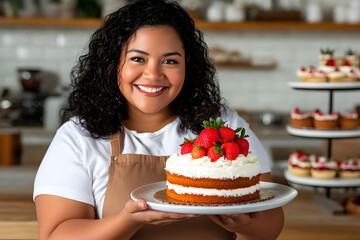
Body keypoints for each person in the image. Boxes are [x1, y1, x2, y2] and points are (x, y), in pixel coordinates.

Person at [33, 0, 284, 239]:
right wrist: (129, 220)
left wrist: (246, 224)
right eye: (137, 59)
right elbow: (56, 235)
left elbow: (271, 223)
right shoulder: (78, 137)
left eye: (170, 61)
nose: (153, 74)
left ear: (188, 65)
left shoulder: (223, 125)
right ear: (113, 63)